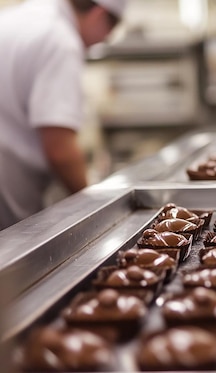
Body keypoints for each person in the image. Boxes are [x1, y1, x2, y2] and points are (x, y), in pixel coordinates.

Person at [0, 0, 127, 231]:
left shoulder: (17, 18)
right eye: (110, 31)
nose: (105, 40)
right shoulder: (60, 40)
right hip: (8, 192)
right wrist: (95, 206)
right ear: (99, 15)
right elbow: (59, 150)